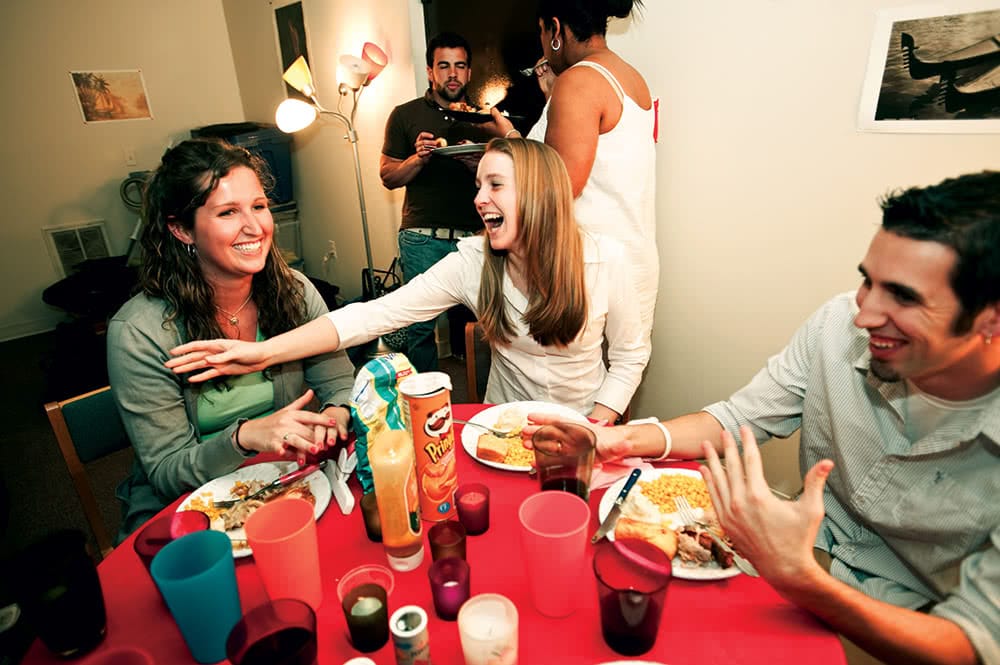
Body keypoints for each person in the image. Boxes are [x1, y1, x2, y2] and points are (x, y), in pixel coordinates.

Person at [527, 171, 1000, 664]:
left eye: (903, 296)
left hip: (914, 622)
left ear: (991, 316)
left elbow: (970, 645)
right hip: (802, 550)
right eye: (868, 281)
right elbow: (737, 419)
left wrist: (799, 578)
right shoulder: (837, 325)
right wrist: (620, 439)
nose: (863, 315)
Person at [167, 138, 649, 423]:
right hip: (502, 427)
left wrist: (600, 419)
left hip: (585, 422)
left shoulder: (606, 261)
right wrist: (263, 352)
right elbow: (374, 314)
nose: (479, 199)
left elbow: (630, 356)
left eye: (495, 185)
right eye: (478, 185)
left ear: (540, 194)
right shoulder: (473, 262)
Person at [107, 138, 355, 539]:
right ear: (182, 229)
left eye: (259, 206)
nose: (255, 227)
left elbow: (341, 383)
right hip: (191, 512)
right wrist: (244, 437)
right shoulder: (139, 333)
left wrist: (336, 415)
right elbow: (168, 473)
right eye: (227, 212)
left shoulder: (295, 292)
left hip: (290, 484)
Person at [492, 0, 658, 343]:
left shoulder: (578, 83)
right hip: (634, 259)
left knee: (569, 392)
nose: (541, 42)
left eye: (541, 31)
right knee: (617, 383)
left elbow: (557, 188)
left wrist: (507, 137)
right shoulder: (630, 77)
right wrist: (556, 95)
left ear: (555, 29)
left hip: (590, 270)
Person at [380, 31, 493, 372]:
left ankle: (486, 402)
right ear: (430, 72)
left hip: (477, 238)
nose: (453, 74)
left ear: (469, 72)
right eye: (444, 66)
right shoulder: (404, 115)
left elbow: (510, 180)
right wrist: (418, 159)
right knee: (419, 328)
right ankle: (424, 402)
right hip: (422, 237)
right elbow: (388, 177)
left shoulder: (486, 119)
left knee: (490, 324)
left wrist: (480, 167)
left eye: (460, 66)